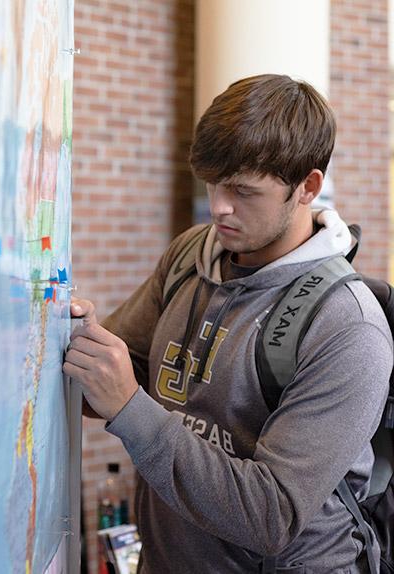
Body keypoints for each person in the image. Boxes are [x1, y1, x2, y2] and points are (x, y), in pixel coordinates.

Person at [63, 74, 393, 573]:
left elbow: (271, 515)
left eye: (243, 190)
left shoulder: (348, 327)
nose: (218, 206)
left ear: (308, 187)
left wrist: (129, 407)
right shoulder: (190, 255)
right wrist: (74, 348)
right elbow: (115, 378)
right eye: (213, 182)